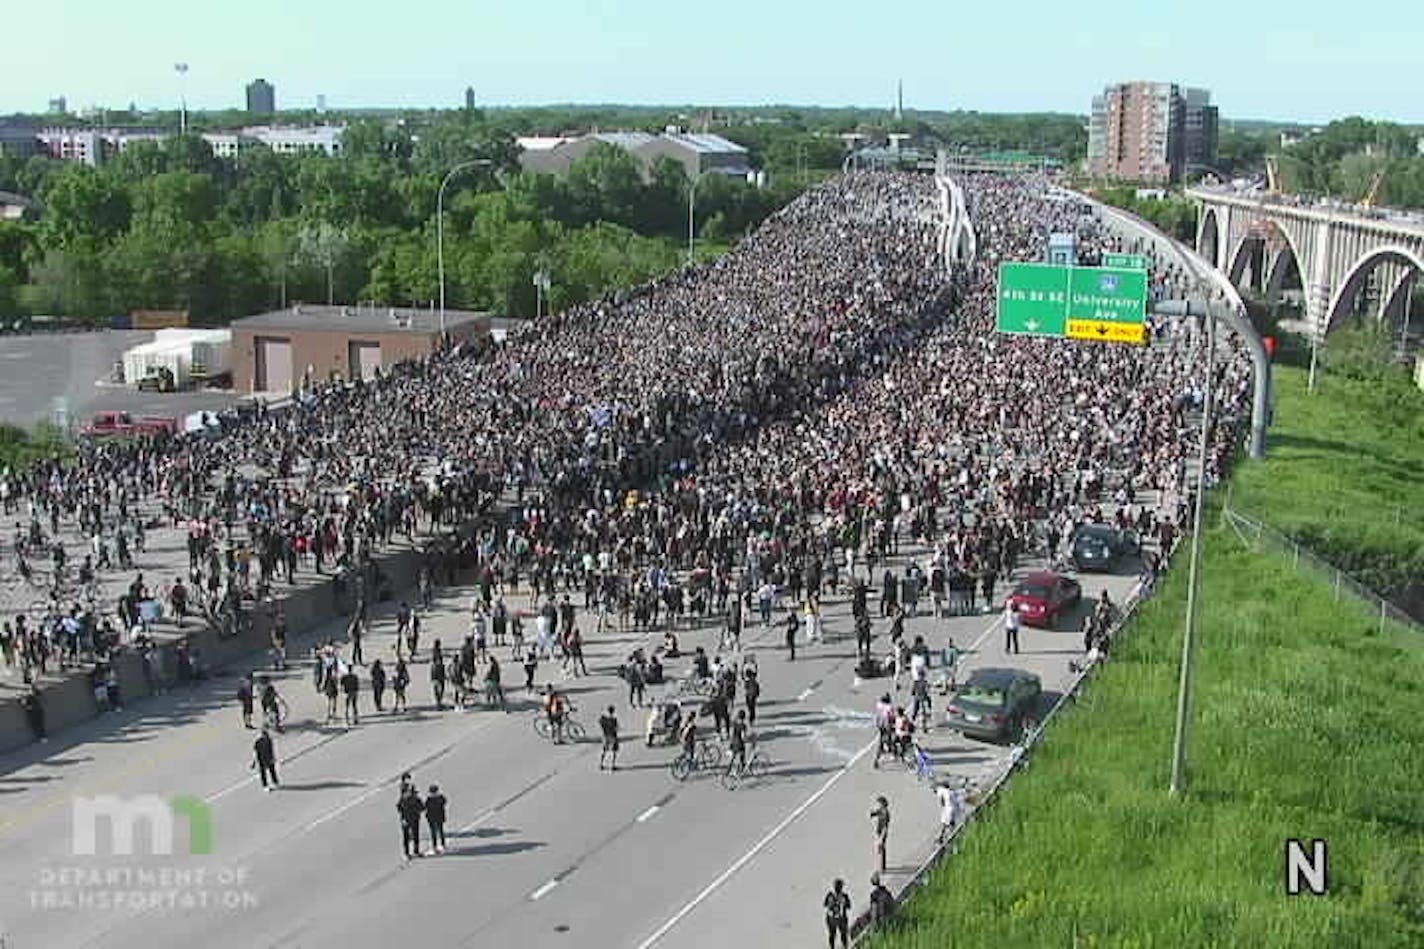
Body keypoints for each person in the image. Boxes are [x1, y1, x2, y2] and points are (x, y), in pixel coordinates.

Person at [398, 785, 424, 860]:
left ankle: (409, 852)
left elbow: (399, 808)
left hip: (408, 819)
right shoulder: (414, 799)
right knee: (412, 836)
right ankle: (413, 852)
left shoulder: (403, 799)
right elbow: (422, 807)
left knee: (409, 836)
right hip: (412, 819)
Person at [823, 878, 851, 949]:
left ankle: (832, 947)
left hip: (831, 919)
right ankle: (845, 946)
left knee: (832, 934)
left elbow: (825, 905)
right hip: (842, 919)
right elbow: (849, 906)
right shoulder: (844, 896)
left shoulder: (830, 895)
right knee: (843, 935)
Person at [424, 784, 448, 855]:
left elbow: (426, 807)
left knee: (433, 832)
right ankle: (443, 844)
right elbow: (444, 802)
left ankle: (435, 846)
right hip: (439, 817)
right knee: (440, 831)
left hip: (432, 818)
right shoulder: (440, 798)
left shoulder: (429, 799)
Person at [870, 796, 890, 873]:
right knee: (880, 849)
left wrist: (882, 837)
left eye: (879, 803)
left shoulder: (885, 813)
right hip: (879, 832)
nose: (878, 805)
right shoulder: (881, 810)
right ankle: (881, 866)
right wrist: (873, 813)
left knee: (880, 849)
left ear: (883, 804)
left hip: (882, 832)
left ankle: (881, 867)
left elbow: (885, 826)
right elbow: (874, 813)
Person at [599, 705, 620, 771]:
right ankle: (612, 765)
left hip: (605, 736)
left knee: (604, 750)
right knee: (614, 751)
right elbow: (616, 728)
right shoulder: (614, 720)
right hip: (613, 736)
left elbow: (600, 722)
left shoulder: (603, 719)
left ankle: (601, 764)